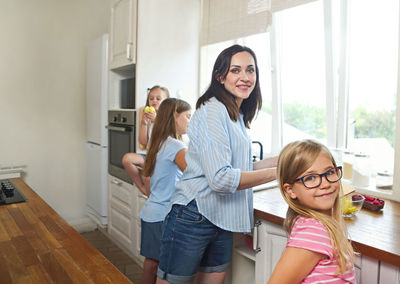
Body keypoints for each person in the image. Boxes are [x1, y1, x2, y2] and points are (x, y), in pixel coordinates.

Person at [156, 44, 278, 284]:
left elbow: (239, 167)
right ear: (221, 76)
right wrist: (278, 173)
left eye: (250, 70)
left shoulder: (237, 115)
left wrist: (288, 160)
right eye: (236, 70)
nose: (245, 77)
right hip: (194, 214)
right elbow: (221, 178)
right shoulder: (213, 110)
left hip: (222, 217)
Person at [268, 139, 355, 283]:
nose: (326, 184)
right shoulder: (315, 231)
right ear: (290, 190)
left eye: (330, 172)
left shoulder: (319, 224)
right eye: (310, 178)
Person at [139, 98, 192, 284]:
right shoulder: (176, 147)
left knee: (151, 263)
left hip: (152, 212)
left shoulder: (159, 142)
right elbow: (195, 176)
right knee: (157, 266)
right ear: (174, 116)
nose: (189, 121)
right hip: (162, 215)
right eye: (187, 116)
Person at [122, 85, 170, 196]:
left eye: (158, 99)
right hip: (150, 157)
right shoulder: (147, 117)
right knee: (127, 159)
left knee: (147, 176)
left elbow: (168, 139)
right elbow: (143, 142)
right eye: (151, 98)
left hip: (162, 159)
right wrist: (144, 123)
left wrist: (156, 121)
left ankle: (150, 198)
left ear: (166, 102)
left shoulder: (168, 118)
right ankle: (143, 189)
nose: (154, 101)